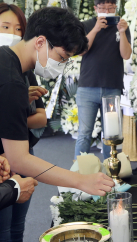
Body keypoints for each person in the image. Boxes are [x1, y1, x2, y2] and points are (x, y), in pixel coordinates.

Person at [0, 4, 114, 236]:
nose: (61, 66)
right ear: (40, 42)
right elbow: (20, 160)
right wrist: (80, 181)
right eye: (61, 57)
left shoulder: (9, 61)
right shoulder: (11, 80)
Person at [0, 3, 47, 241]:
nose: (12, 33)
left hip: (20, 157)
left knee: (17, 226)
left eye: (18, 29)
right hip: (4, 165)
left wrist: (14, 111)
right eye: (5, 27)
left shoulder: (25, 67)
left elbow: (41, 118)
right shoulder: (8, 78)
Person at [74, 0, 132, 160]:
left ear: (115, 8)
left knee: (111, 134)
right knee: (84, 133)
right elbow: (81, 51)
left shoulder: (121, 26)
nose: (107, 10)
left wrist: (121, 32)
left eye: (110, 7)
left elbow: (126, 55)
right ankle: (80, 172)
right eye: (103, 8)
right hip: (88, 87)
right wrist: (95, 29)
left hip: (112, 87)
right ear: (95, 9)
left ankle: (110, 172)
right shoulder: (86, 25)